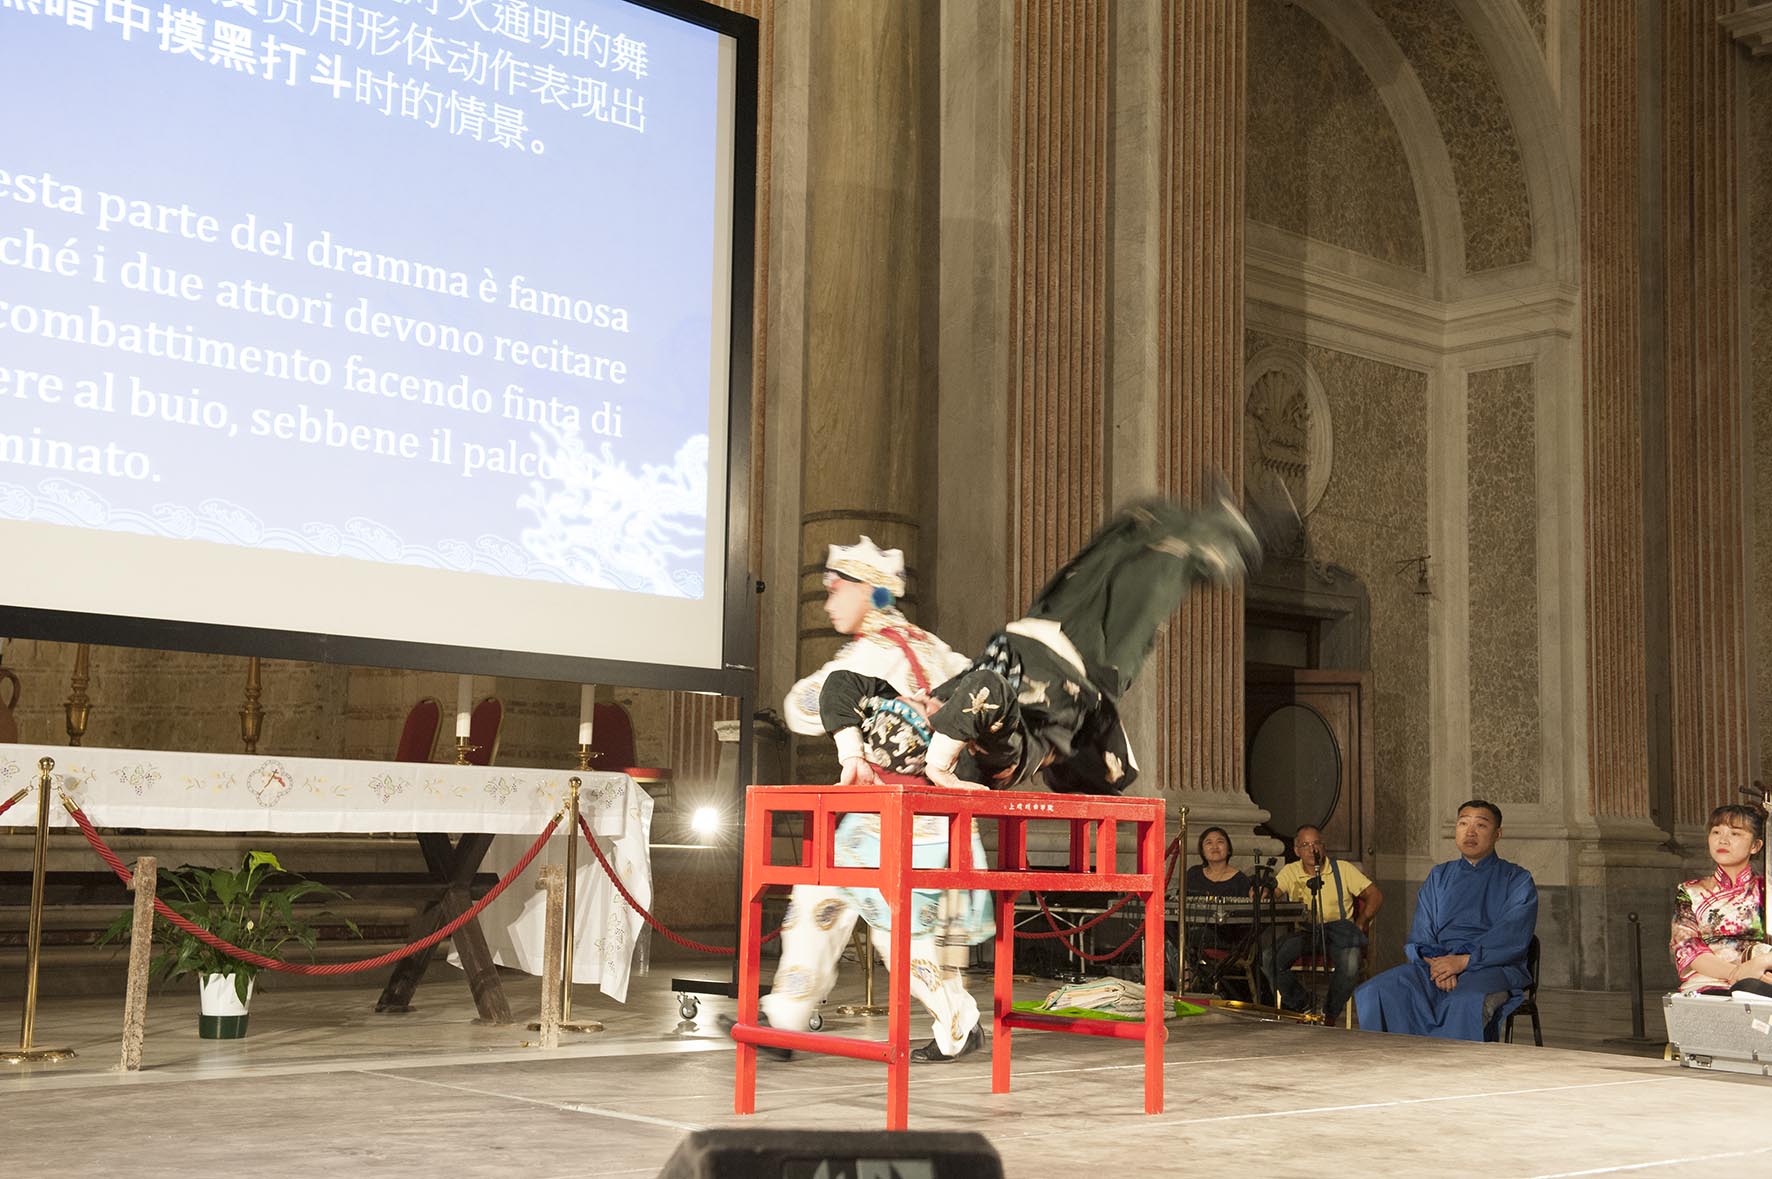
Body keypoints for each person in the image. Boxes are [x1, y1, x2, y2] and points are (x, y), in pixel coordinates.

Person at [749, 537, 993, 1063]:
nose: (829, 601)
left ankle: (959, 1020)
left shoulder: (869, 652)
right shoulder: (932, 645)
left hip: (896, 818)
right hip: (923, 815)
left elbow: (803, 707)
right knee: (820, 896)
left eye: (838, 589)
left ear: (871, 592)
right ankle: (785, 1018)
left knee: (894, 931)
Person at [911, 489, 1263, 794]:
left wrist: (853, 753)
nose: (920, 704)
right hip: (1079, 664)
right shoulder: (986, 753)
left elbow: (855, 684)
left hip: (1039, 633)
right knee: (1145, 585)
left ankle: (1211, 521)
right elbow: (987, 687)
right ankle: (1225, 547)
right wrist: (938, 763)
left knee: (1119, 541)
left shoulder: (942, 710)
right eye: (918, 713)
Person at [1353, 800, 1537, 1040]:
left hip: (1490, 966)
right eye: (1463, 823)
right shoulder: (1439, 876)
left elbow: (1512, 935)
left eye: (1480, 825)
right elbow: (1422, 931)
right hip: (1435, 964)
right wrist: (1441, 965)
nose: (1470, 832)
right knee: (1376, 990)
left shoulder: (1517, 879)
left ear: (1497, 834)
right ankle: (1395, 1067)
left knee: (1464, 1002)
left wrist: (1461, 962)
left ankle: (1452, 1073)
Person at [1259, 825, 1381, 1022]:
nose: (1312, 849)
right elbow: (1274, 893)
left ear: (1323, 847)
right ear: (1297, 850)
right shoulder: (1291, 871)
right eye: (1305, 845)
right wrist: (1264, 893)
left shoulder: (1342, 868)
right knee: (1269, 958)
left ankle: (1328, 1013)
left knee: (1350, 965)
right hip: (1307, 931)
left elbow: (1375, 895)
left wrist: (1361, 922)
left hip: (1339, 929)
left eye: (1316, 843)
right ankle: (1304, 1005)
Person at [1670, 803, 1771, 998]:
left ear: (1755, 846)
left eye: (1735, 834)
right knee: (1743, 992)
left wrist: (1761, 963)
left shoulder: (1767, 889)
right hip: (1708, 981)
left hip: (1762, 976)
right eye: (1716, 832)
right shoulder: (1691, 891)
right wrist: (1737, 974)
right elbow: (1688, 947)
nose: (1723, 840)